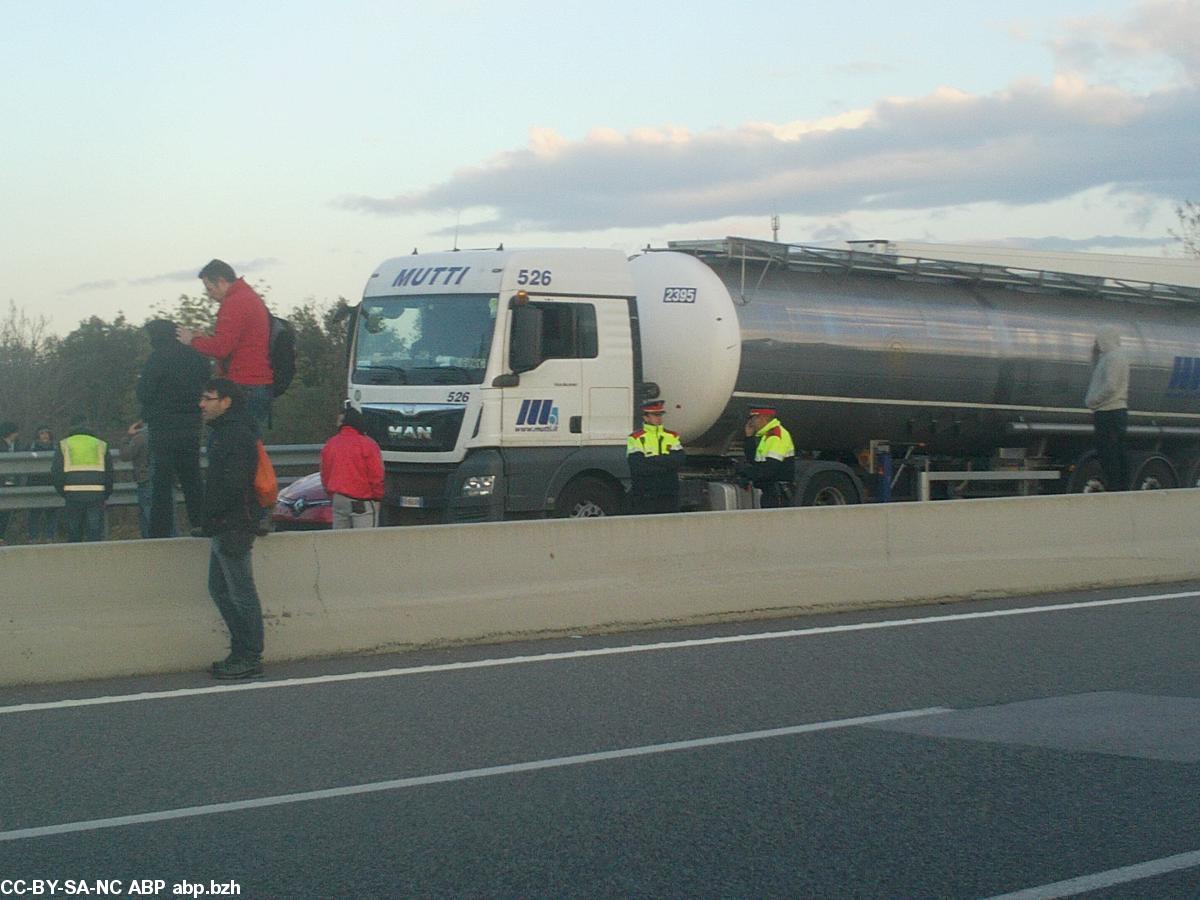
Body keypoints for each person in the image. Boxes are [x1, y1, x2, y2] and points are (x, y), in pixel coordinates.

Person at [198, 378, 265, 679]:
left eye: (208, 398)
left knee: (241, 592)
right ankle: (241, 650)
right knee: (220, 589)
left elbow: (235, 484)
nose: (202, 404)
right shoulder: (224, 433)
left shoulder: (235, 436)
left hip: (233, 525)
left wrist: (217, 515)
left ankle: (250, 655)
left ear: (226, 402)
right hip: (222, 523)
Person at [177, 260, 273, 436]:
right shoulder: (249, 297)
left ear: (221, 281)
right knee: (249, 446)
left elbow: (221, 348)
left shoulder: (234, 303)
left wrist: (192, 341)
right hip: (257, 382)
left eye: (209, 288)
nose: (209, 294)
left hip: (242, 385)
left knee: (229, 443)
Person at [137, 318, 209, 537]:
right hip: (191, 425)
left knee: (161, 481)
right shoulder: (196, 358)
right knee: (192, 477)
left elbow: (144, 393)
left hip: (163, 427)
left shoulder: (156, 359)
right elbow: (206, 382)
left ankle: (160, 532)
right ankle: (201, 523)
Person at [320, 403, 384, 529]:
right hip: (361, 500)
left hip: (338, 499)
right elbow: (376, 475)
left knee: (340, 542)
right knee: (364, 543)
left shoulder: (330, 444)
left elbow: (325, 474)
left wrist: (331, 494)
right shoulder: (368, 444)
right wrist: (377, 497)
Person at [50, 422, 114, 542]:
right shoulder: (100, 445)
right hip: (96, 494)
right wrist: (106, 494)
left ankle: (75, 557)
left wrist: (63, 491)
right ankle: (94, 557)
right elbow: (110, 473)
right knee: (94, 530)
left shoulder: (64, 444)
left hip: (72, 493)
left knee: (74, 530)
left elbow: (56, 472)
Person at [1084, 326, 1130, 491]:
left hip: (1108, 411)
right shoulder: (1116, 357)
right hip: (1115, 411)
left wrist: (1092, 401)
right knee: (1116, 453)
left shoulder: (1113, 358)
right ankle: (1119, 488)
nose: (1096, 344)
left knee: (1108, 453)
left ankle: (1116, 488)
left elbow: (1110, 386)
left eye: (1098, 340)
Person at [626, 399, 684, 514]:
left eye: (660, 415)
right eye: (655, 415)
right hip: (645, 493)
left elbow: (679, 460)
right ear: (646, 417)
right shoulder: (635, 437)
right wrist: (666, 464)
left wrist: (651, 461)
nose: (659, 418)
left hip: (669, 492)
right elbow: (637, 465)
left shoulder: (672, 436)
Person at [737, 406, 796, 508]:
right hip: (771, 492)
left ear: (762, 418)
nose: (751, 423)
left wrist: (745, 471)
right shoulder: (767, 436)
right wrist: (749, 437)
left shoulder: (775, 436)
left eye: (753, 419)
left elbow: (768, 470)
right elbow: (754, 461)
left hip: (777, 494)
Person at [119, 421, 153, 538]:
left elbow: (125, 455)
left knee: (148, 516)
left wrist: (128, 436)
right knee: (167, 516)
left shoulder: (141, 438)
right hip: (165, 480)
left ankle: (152, 544)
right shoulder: (165, 434)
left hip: (145, 480)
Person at [25, 426, 60, 542]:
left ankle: (50, 537)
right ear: (37, 435)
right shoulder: (31, 447)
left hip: (52, 483)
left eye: (47, 433)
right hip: (35, 483)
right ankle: (33, 537)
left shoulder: (56, 447)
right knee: (34, 513)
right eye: (42, 433)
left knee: (52, 512)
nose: (45, 435)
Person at [0, 421, 21, 544]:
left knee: (7, 513)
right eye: (15, 432)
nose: (17, 435)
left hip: (11, 483)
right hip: (2, 483)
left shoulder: (16, 445)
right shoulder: (2, 445)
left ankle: (2, 536)